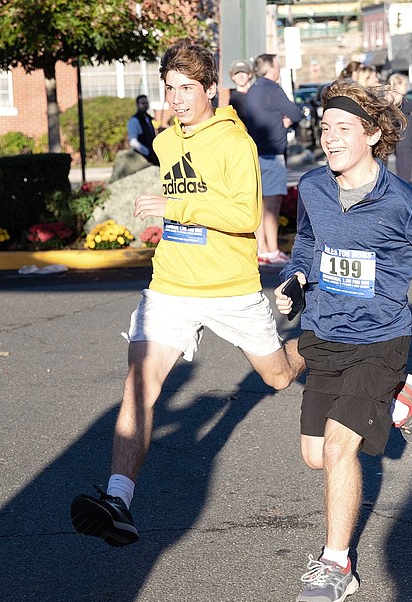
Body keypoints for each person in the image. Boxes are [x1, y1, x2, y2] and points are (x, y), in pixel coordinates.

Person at [70, 40, 305, 548]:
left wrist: (177, 210)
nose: (177, 100)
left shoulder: (233, 142)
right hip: (171, 285)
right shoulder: (166, 141)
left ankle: (317, 340)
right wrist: (172, 213)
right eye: (170, 89)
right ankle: (118, 500)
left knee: (279, 377)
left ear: (211, 90)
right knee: (140, 381)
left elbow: (245, 216)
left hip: (229, 287)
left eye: (187, 89)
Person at [274, 80, 412, 602]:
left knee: (340, 450)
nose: (330, 138)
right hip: (324, 335)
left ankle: (338, 563)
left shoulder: (401, 202)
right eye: (325, 128)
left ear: (373, 134)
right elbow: (308, 244)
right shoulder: (313, 186)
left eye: (343, 129)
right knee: (315, 456)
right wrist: (295, 280)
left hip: (380, 339)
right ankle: (403, 398)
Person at [245, 53, 303, 267]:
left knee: (259, 204)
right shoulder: (273, 89)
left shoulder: (252, 91)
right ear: (270, 68)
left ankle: (262, 248)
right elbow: (296, 113)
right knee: (272, 203)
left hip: (256, 153)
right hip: (273, 152)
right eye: (277, 65)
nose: (279, 69)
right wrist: (286, 121)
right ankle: (272, 250)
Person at [127, 94, 159, 166]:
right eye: (142, 103)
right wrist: (147, 152)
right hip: (142, 158)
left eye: (146, 103)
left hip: (153, 155)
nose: (145, 105)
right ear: (137, 105)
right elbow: (133, 141)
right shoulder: (134, 121)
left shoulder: (148, 118)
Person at [229, 58, 253, 126]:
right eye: (237, 73)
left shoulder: (257, 95)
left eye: (243, 72)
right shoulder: (233, 100)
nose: (240, 76)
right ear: (233, 77)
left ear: (250, 74)